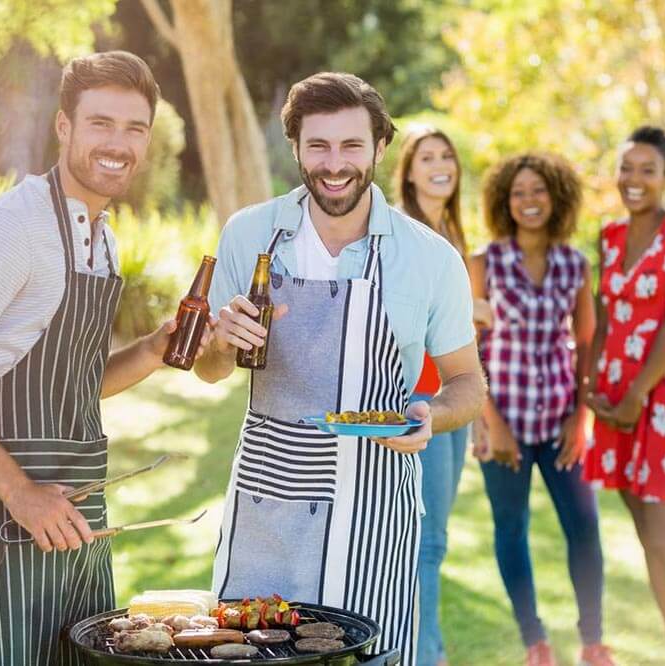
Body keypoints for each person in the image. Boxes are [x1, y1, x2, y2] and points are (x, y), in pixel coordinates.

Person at [0, 51, 204, 666]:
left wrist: (150, 350)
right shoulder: (9, 229)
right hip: (6, 520)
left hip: (82, 510)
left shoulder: (105, 238)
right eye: (101, 123)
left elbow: (73, 384)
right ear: (63, 126)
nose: (118, 143)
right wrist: (20, 492)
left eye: (135, 128)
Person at [194, 72, 487, 665]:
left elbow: (468, 383)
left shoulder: (429, 258)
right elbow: (210, 372)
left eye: (352, 146)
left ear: (380, 149)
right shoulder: (250, 234)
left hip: (376, 514)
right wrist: (219, 343)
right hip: (266, 510)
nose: (335, 164)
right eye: (318, 146)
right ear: (296, 148)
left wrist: (433, 415)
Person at [469, 152, 614, 666]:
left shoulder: (575, 264)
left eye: (538, 191)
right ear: (504, 202)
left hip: (559, 421)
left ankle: (593, 640)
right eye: (518, 193)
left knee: (585, 526)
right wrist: (493, 423)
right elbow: (468, 349)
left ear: (556, 197)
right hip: (501, 422)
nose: (529, 201)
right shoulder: (484, 263)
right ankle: (536, 642)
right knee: (512, 529)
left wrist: (583, 416)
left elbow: (588, 343)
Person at [392, 123, 486, 666]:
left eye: (446, 155)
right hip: (414, 396)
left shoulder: (452, 233)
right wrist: (474, 309)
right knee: (424, 544)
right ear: (408, 171)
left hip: (450, 398)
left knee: (435, 541)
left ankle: (424, 650)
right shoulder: (403, 231)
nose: (439, 165)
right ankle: (427, 656)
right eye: (426, 156)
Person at [585, 126, 665, 665]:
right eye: (627, 168)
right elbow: (605, 314)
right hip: (616, 402)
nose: (634, 180)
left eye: (647, 169)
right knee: (649, 541)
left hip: (659, 399)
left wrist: (637, 394)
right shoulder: (611, 235)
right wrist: (595, 383)